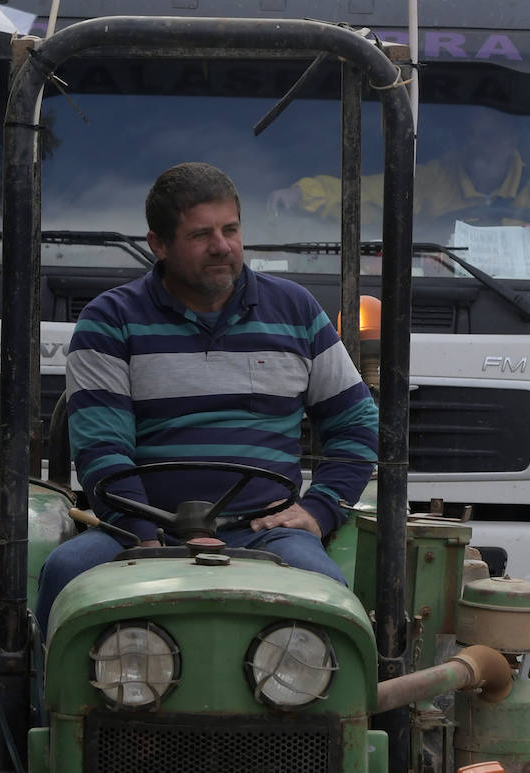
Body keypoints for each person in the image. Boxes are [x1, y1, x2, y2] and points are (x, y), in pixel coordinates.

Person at [34, 162, 379, 636]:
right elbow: (103, 448)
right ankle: (40, 709)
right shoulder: (110, 320)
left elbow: (356, 422)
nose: (222, 246)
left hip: (267, 532)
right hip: (141, 530)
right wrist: (147, 538)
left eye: (231, 229)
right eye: (201, 235)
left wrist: (319, 510)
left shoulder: (296, 311)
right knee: (65, 573)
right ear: (158, 244)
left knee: (331, 603)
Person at [269, 108, 530, 237]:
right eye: (470, 135)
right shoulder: (434, 179)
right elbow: (365, 193)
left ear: (512, 140)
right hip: (433, 291)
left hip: (520, 303)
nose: (476, 146)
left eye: (488, 137)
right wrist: (301, 194)